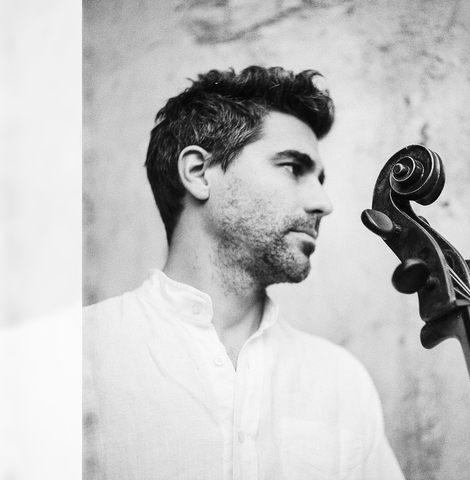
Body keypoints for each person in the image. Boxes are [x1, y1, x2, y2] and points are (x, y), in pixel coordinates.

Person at [83, 66, 405, 480]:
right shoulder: (71, 360)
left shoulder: (341, 381)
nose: (323, 202)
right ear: (199, 172)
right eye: (293, 167)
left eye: (320, 179)